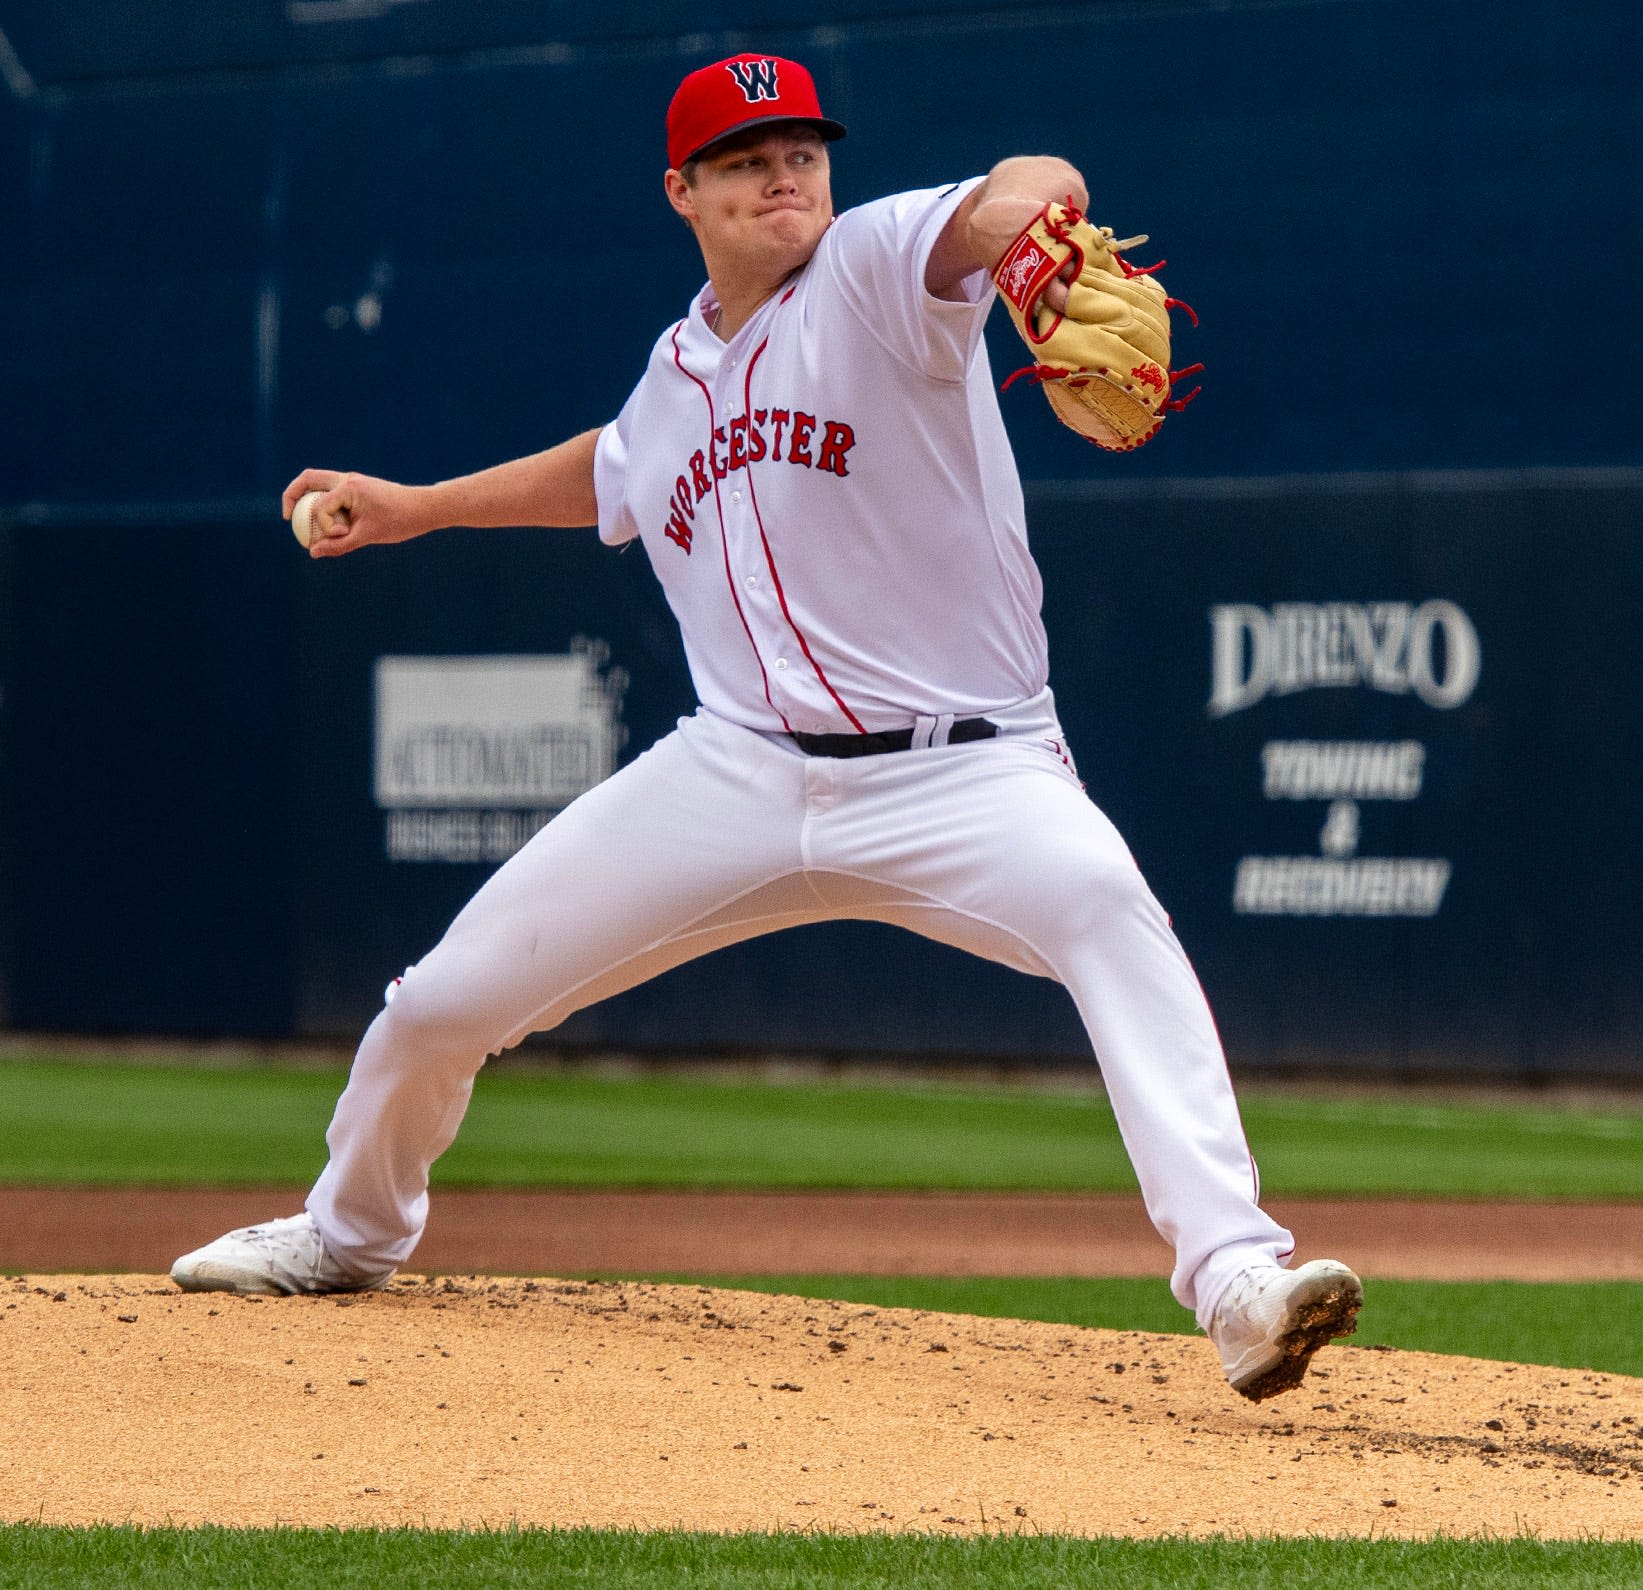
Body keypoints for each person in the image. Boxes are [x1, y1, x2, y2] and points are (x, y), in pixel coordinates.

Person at [170, 52, 1361, 1401]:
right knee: (443, 999)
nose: (783, 172)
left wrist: (1033, 240)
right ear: (681, 190)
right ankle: (348, 1229)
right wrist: (419, 504)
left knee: (1101, 903)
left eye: (799, 148)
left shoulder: (872, 272)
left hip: (965, 769)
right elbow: (609, 471)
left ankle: (1238, 1278)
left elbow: (1023, 189)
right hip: (736, 769)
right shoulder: (674, 374)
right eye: (744, 159)